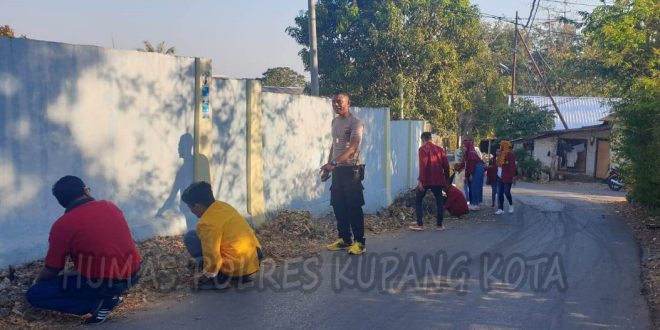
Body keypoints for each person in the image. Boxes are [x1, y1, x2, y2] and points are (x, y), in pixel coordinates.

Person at [26, 176, 141, 325]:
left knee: (35, 294)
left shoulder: (62, 225)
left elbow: (52, 269)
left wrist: (37, 282)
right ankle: (110, 293)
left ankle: (98, 304)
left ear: (61, 202)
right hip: (134, 273)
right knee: (75, 273)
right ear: (85, 190)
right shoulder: (109, 205)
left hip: (105, 282)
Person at [180, 181, 263, 290]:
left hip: (236, 267)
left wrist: (207, 275)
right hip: (255, 258)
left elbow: (212, 253)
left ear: (198, 205)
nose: (191, 211)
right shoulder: (223, 206)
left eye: (190, 207)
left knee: (191, 237)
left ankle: (219, 279)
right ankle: (242, 276)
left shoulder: (207, 223)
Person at [320, 92, 366, 255]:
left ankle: (360, 242)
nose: (336, 105)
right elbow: (334, 146)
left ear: (348, 103)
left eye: (339, 102)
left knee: (353, 207)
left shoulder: (356, 123)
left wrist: (333, 163)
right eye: (333, 102)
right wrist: (329, 166)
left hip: (352, 169)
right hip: (338, 169)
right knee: (338, 205)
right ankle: (345, 239)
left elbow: (353, 147)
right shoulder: (335, 122)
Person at [409, 132, 450, 231]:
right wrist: (447, 179)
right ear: (431, 138)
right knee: (439, 201)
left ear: (423, 140)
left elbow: (423, 165)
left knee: (418, 200)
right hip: (438, 179)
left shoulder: (422, 149)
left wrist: (421, 181)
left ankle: (420, 224)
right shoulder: (440, 150)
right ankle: (439, 225)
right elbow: (446, 165)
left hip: (426, 179)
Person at [455, 139, 484, 210]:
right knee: (471, 186)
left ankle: (476, 204)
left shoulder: (471, 153)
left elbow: (472, 165)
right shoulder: (468, 153)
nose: (464, 148)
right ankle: (473, 203)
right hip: (475, 169)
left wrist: (470, 174)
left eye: (465, 146)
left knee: (474, 186)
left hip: (476, 169)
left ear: (468, 146)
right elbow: (465, 164)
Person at [495, 140, 517, 215]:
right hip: (499, 176)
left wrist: (513, 177)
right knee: (499, 193)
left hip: (507, 177)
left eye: (501, 145)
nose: (500, 147)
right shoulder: (500, 154)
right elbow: (497, 164)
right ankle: (500, 208)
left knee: (506, 192)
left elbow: (512, 166)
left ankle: (511, 205)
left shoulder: (510, 155)